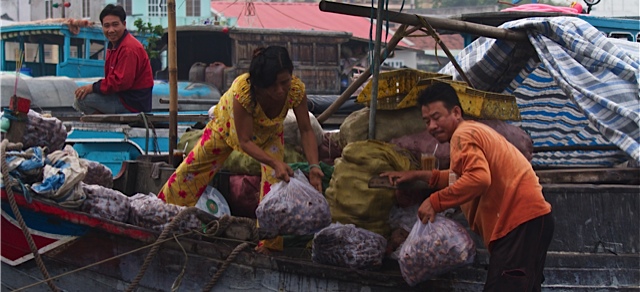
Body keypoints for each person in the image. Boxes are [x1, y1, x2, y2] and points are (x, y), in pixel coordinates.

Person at [381, 82, 554, 292]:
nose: (432, 126)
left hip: (519, 223)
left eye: (437, 118)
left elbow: (478, 180)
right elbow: (461, 178)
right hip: (529, 223)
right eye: (427, 121)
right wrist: (418, 175)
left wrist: (434, 202)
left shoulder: (463, 135)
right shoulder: (472, 132)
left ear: (456, 112)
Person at [158, 46, 324, 253]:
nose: (281, 90)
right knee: (190, 173)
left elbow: (306, 129)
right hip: (226, 130)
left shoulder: (296, 90)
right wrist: (275, 162)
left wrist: (314, 165)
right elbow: (244, 141)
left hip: (269, 135)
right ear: (259, 85)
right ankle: (161, 218)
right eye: (273, 86)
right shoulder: (243, 92)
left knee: (276, 188)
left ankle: (270, 245)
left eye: (284, 82)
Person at [73, 4, 154, 115]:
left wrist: (93, 87)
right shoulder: (115, 45)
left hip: (131, 103)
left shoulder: (128, 48)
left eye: (115, 25)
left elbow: (121, 82)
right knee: (81, 96)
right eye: (107, 26)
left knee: (82, 101)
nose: (111, 30)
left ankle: (107, 124)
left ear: (124, 24)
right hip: (122, 96)